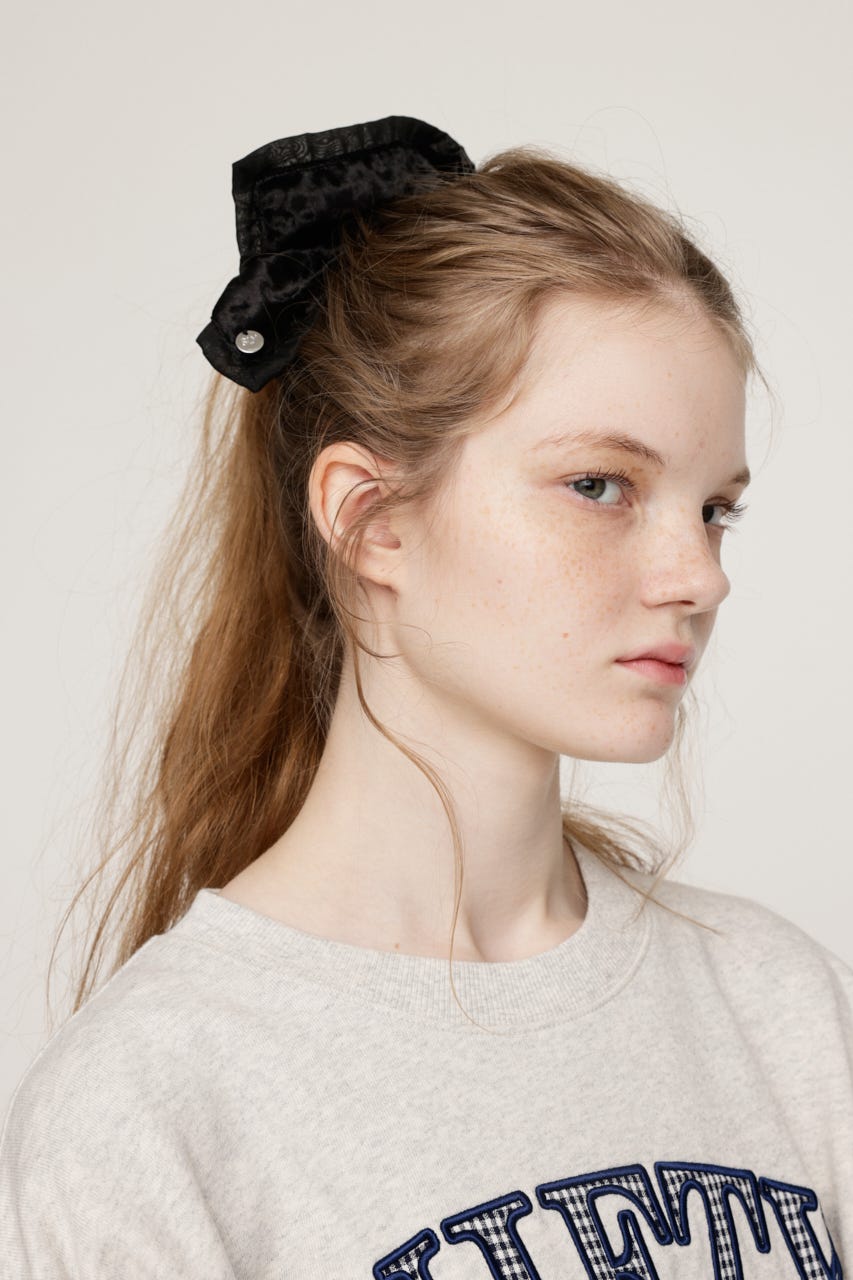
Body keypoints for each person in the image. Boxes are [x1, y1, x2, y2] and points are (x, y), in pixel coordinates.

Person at [0, 114, 850, 1278]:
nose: (698, 575)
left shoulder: (781, 1008)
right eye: (600, 484)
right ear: (371, 520)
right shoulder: (153, 1103)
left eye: (713, 508)